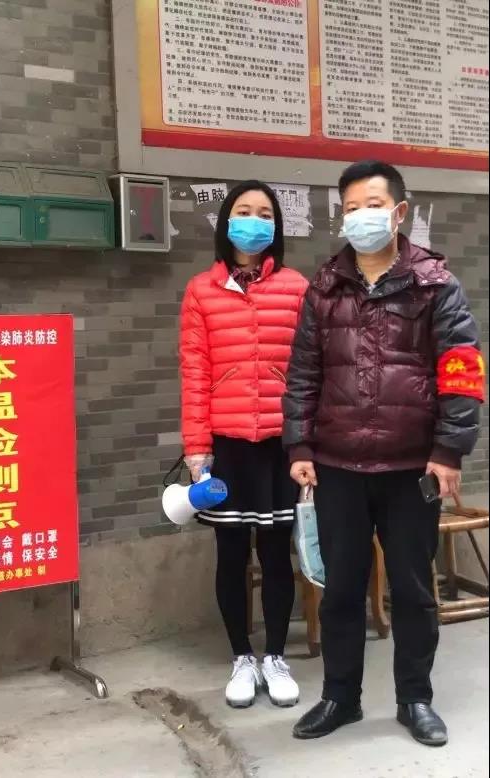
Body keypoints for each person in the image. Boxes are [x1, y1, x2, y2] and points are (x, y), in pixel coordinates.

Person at [283, 160, 484, 746]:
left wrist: (449, 451)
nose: (360, 217)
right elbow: (303, 373)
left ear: (399, 212)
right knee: (342, 590)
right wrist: (299, 443)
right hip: (337, 466)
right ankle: (340, 698)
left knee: (413, 590)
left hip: (411, 467)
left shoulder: (435, 284)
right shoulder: (324, 287)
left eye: (372, 205)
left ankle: (415, 699)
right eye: (350, 208)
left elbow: (461, 370)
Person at [180, 181, 308, 709]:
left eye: (264, 213)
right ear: (226, 222)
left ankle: (275, 656)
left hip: (281, 443)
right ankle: (241, 657)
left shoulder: (297, 288)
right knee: (230, 554)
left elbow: (311, 373)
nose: (253, 221)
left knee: (277, 553)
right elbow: (194, 374)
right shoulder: (201, 291)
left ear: (276, 226)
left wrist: (308, 444)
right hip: (227, 444)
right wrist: (197, 451)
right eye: (243, 211)